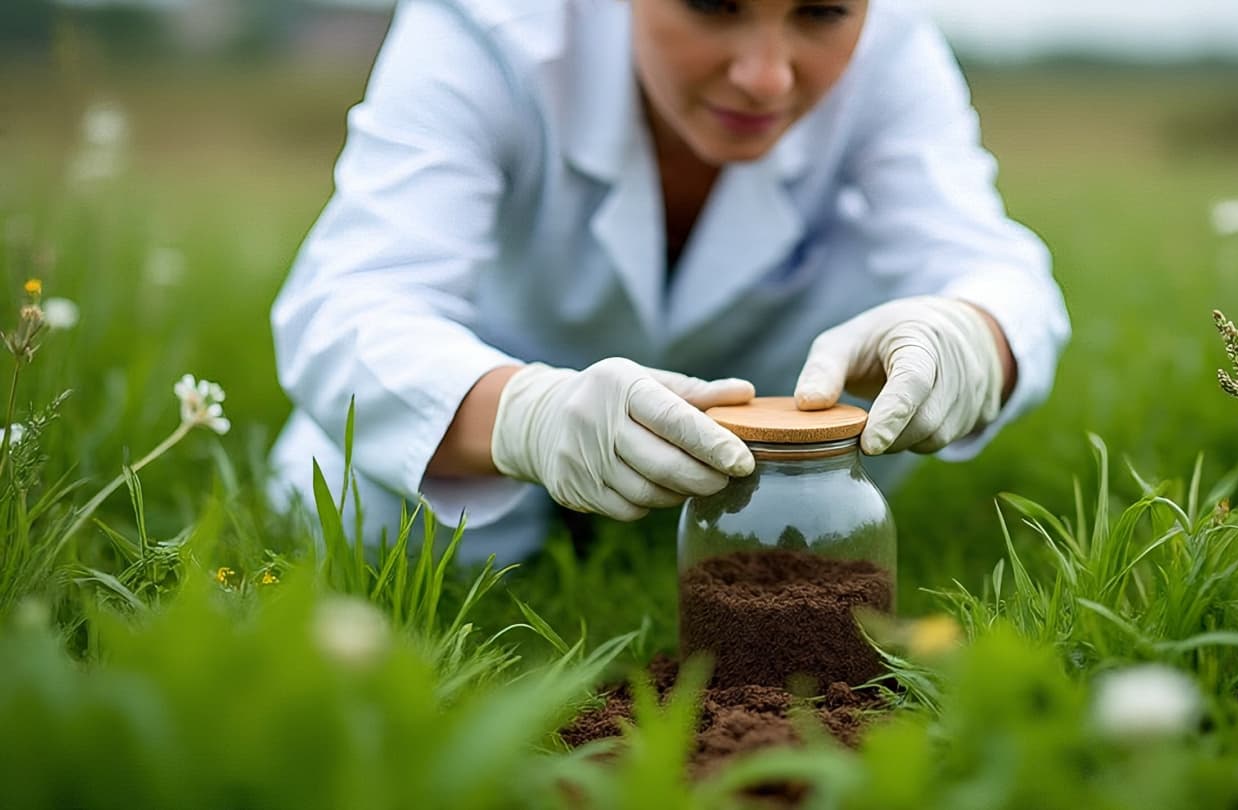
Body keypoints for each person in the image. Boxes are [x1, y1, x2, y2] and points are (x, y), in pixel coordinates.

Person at [268, 0, 1071, 563]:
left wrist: (968, 336)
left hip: (780, 450)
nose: (766, 77)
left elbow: (986, 263)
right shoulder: (489, 28)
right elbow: (348, 300)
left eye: (821, 12)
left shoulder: (894, 51)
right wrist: (525, 417)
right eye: (714, 3)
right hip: (488, 401)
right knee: (364, 525)